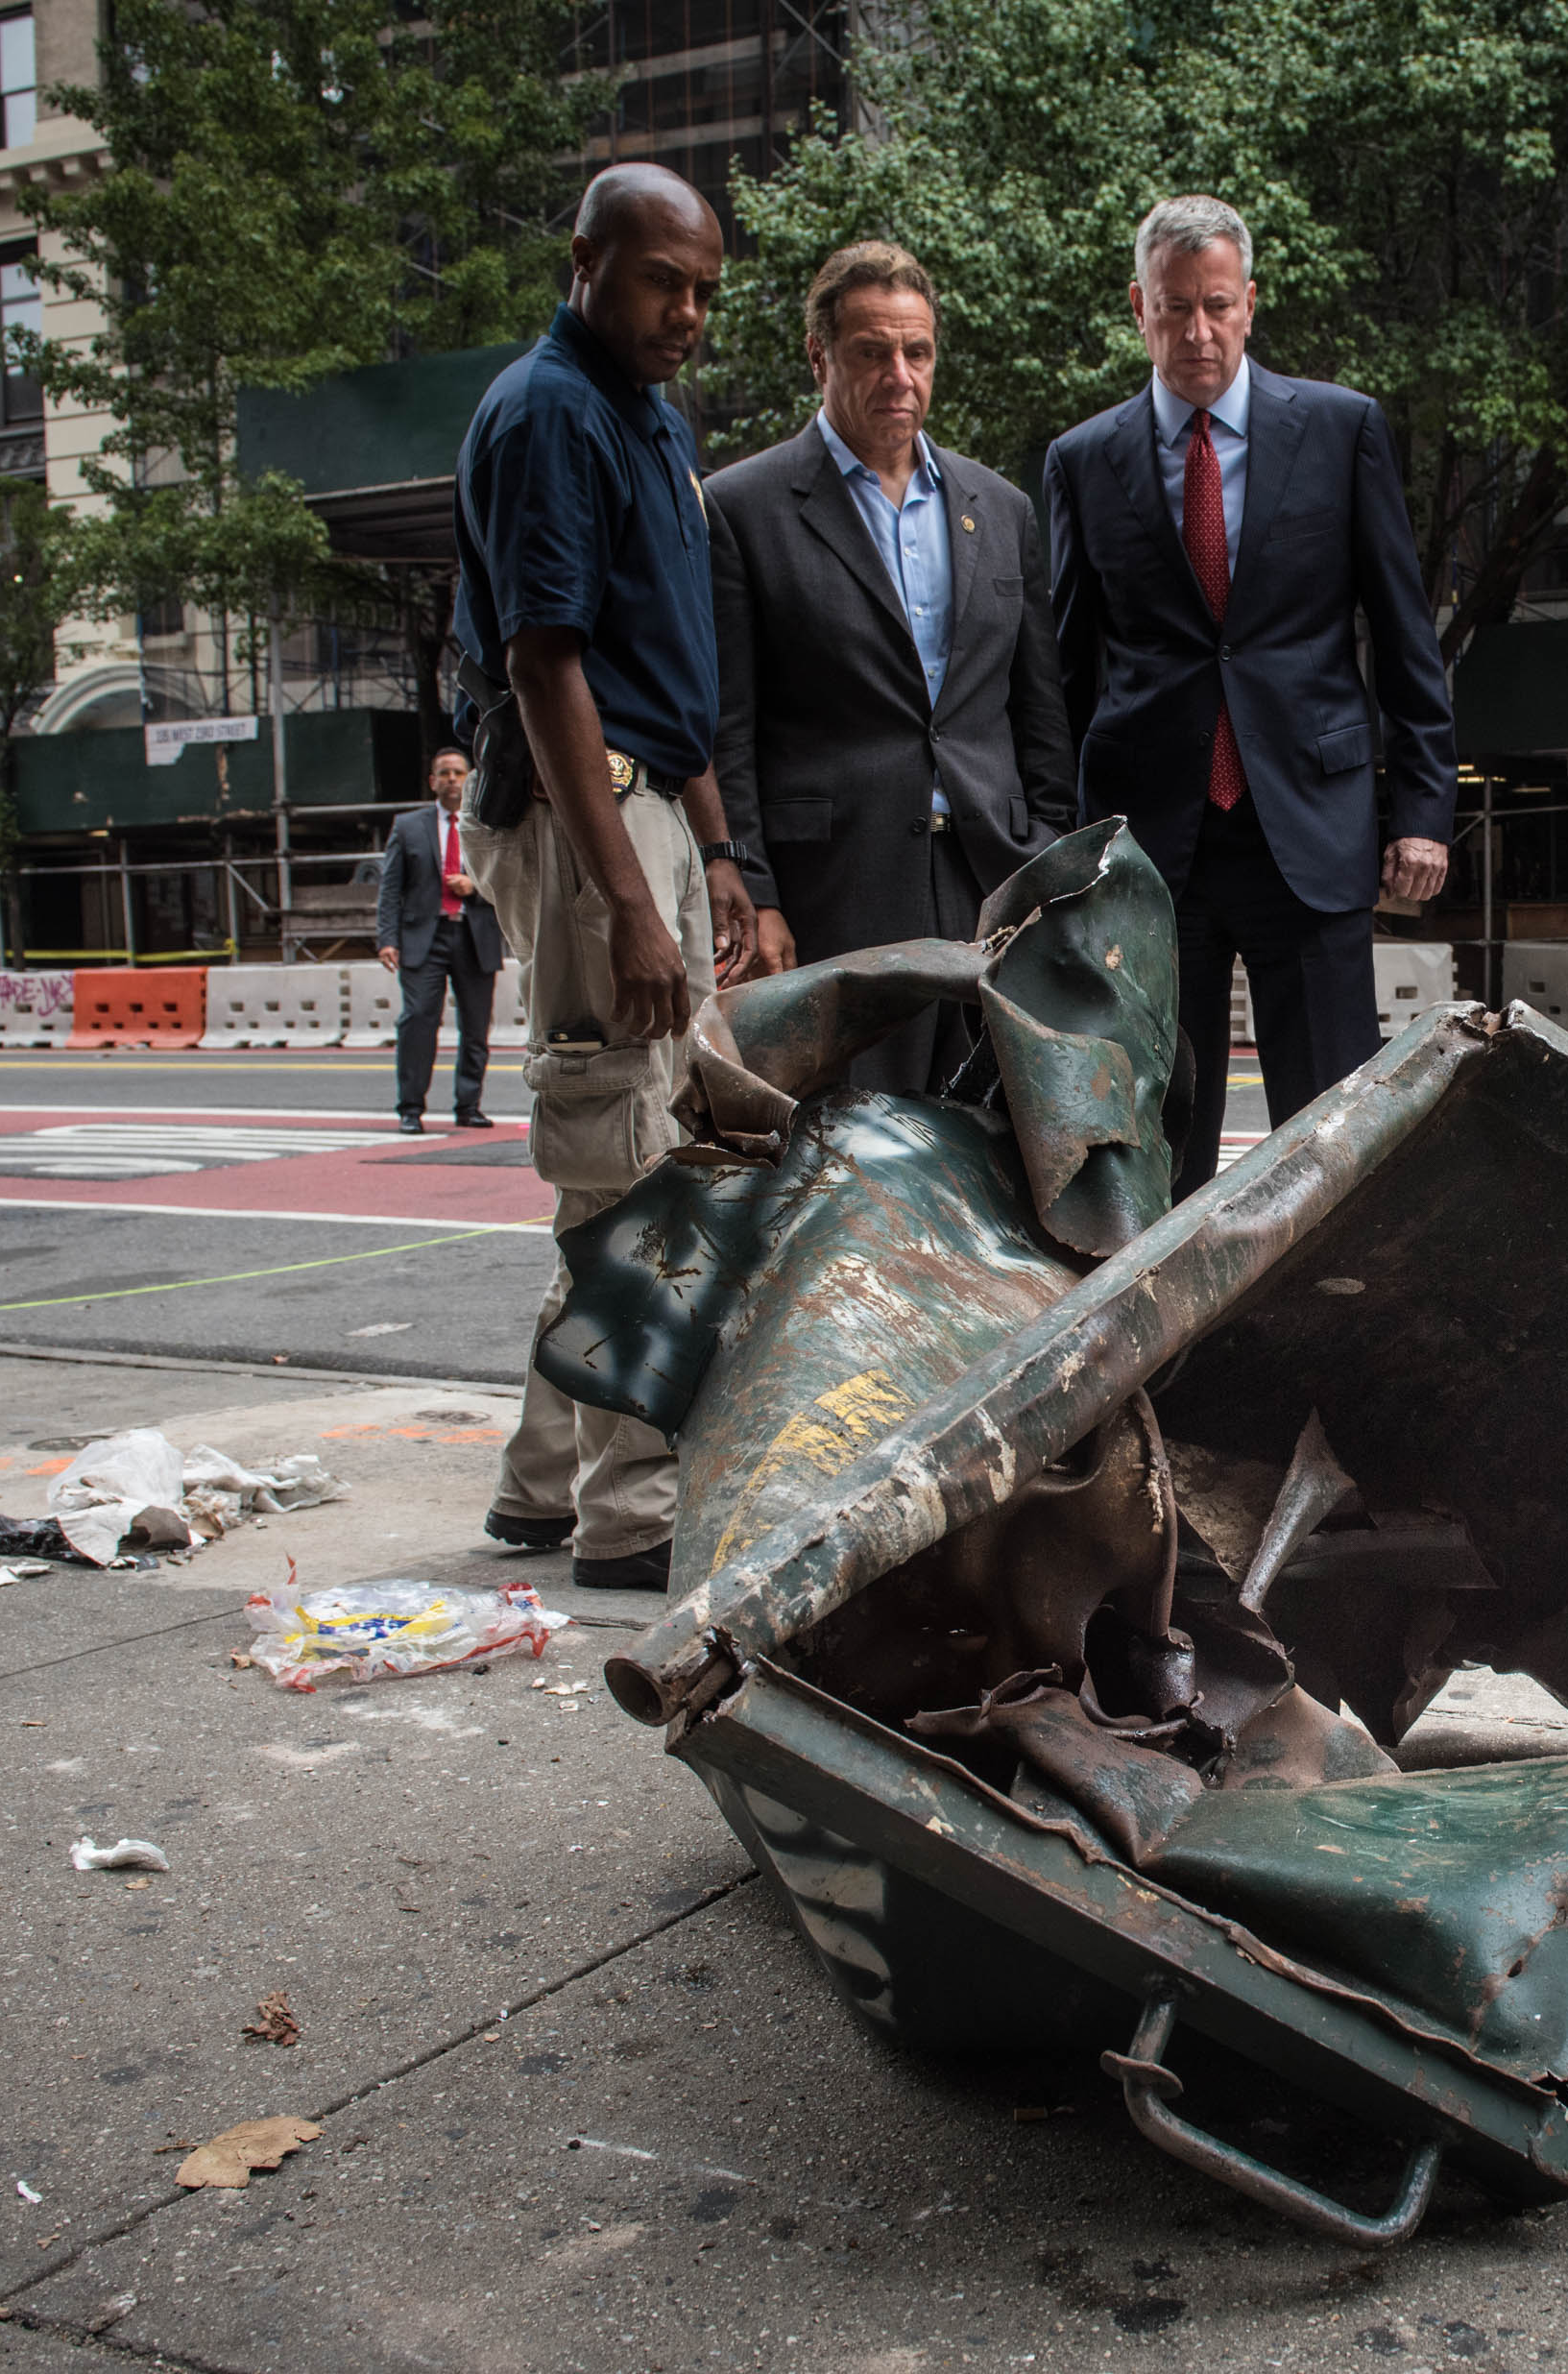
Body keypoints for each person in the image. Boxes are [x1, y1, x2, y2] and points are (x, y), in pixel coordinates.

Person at [448, 161, 760, 1594]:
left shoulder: (648, 419)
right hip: (590, 820)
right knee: (625, 1161)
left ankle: (537, 1483)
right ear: (584, 260)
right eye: (661, 281)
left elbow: (665, 669)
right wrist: (630, 896)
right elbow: (543, 664)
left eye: (703, 289)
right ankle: (631, 1516)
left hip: (651, 812)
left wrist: (712, 851)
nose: (686, 311)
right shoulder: (550, 412)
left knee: (624, 1151)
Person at [1043, 194, 1454, 1194]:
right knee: (1159, 1137)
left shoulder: (1341, 429)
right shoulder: (1081, 461)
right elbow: (1060, 670)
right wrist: (1058, 846)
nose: (1197, 332)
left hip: (1308, 833)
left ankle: (1336, 1329)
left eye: (1216, 304)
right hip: (1148, 853)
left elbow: (1403, 633)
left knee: (1333, 1133)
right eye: (1174, 308)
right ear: (1137, 307)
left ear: (1250, 303)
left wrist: (1423, 809)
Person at [703, 240, 1078, 1092]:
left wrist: (1048, 860)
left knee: (1001, 1151)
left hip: (994, 885)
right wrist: (756, 890)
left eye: (917, 352)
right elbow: (730, 726)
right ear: (819, 356)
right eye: (872, 352)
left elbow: (1038, 711)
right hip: (838, 891)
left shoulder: (1001, 508)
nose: (899, 375)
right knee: (857, 1159)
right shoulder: (741, 509)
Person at [376, 746, 504, 1133]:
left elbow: (507, 880)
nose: (451, 779)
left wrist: (475, 886)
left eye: (459, 773)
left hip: (473, 935)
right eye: (444, 773)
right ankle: (411, 1108)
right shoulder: (407, 825)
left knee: (476, 1026)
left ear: (471, 779)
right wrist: (387, 938)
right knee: (417, 1021)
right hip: (423, 938)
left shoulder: (488, 824)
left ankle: (468, 1106)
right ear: (433, 781)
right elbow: (390, 888)